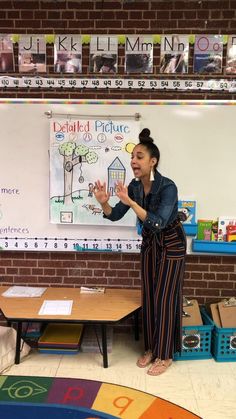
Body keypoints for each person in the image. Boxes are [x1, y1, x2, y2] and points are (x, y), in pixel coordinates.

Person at [93, 128, 186, 376]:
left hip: (171, 245)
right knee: (149, 297)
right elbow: (115, 215)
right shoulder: (134, 187)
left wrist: (132, 203)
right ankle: (152, 347)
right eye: (132, 156)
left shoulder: (168, 187)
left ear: (152, 161)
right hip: (150, 244)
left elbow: (158, 222)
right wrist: (104, 202)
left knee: (165, 299)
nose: (133, 161)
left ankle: (165, 354)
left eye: (140, 156)